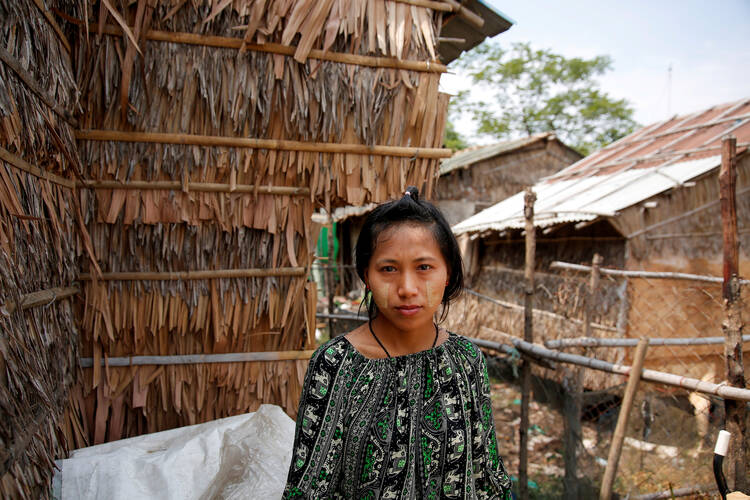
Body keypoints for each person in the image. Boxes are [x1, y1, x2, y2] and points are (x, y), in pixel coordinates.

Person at [283, 187, 512, 499]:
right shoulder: (336, 365)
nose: (407, 288)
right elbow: (309, 489)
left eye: (424, 268)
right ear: (366, 275)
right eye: (388, 269)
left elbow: (486, 474)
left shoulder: (466, 359)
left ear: (447, 274)